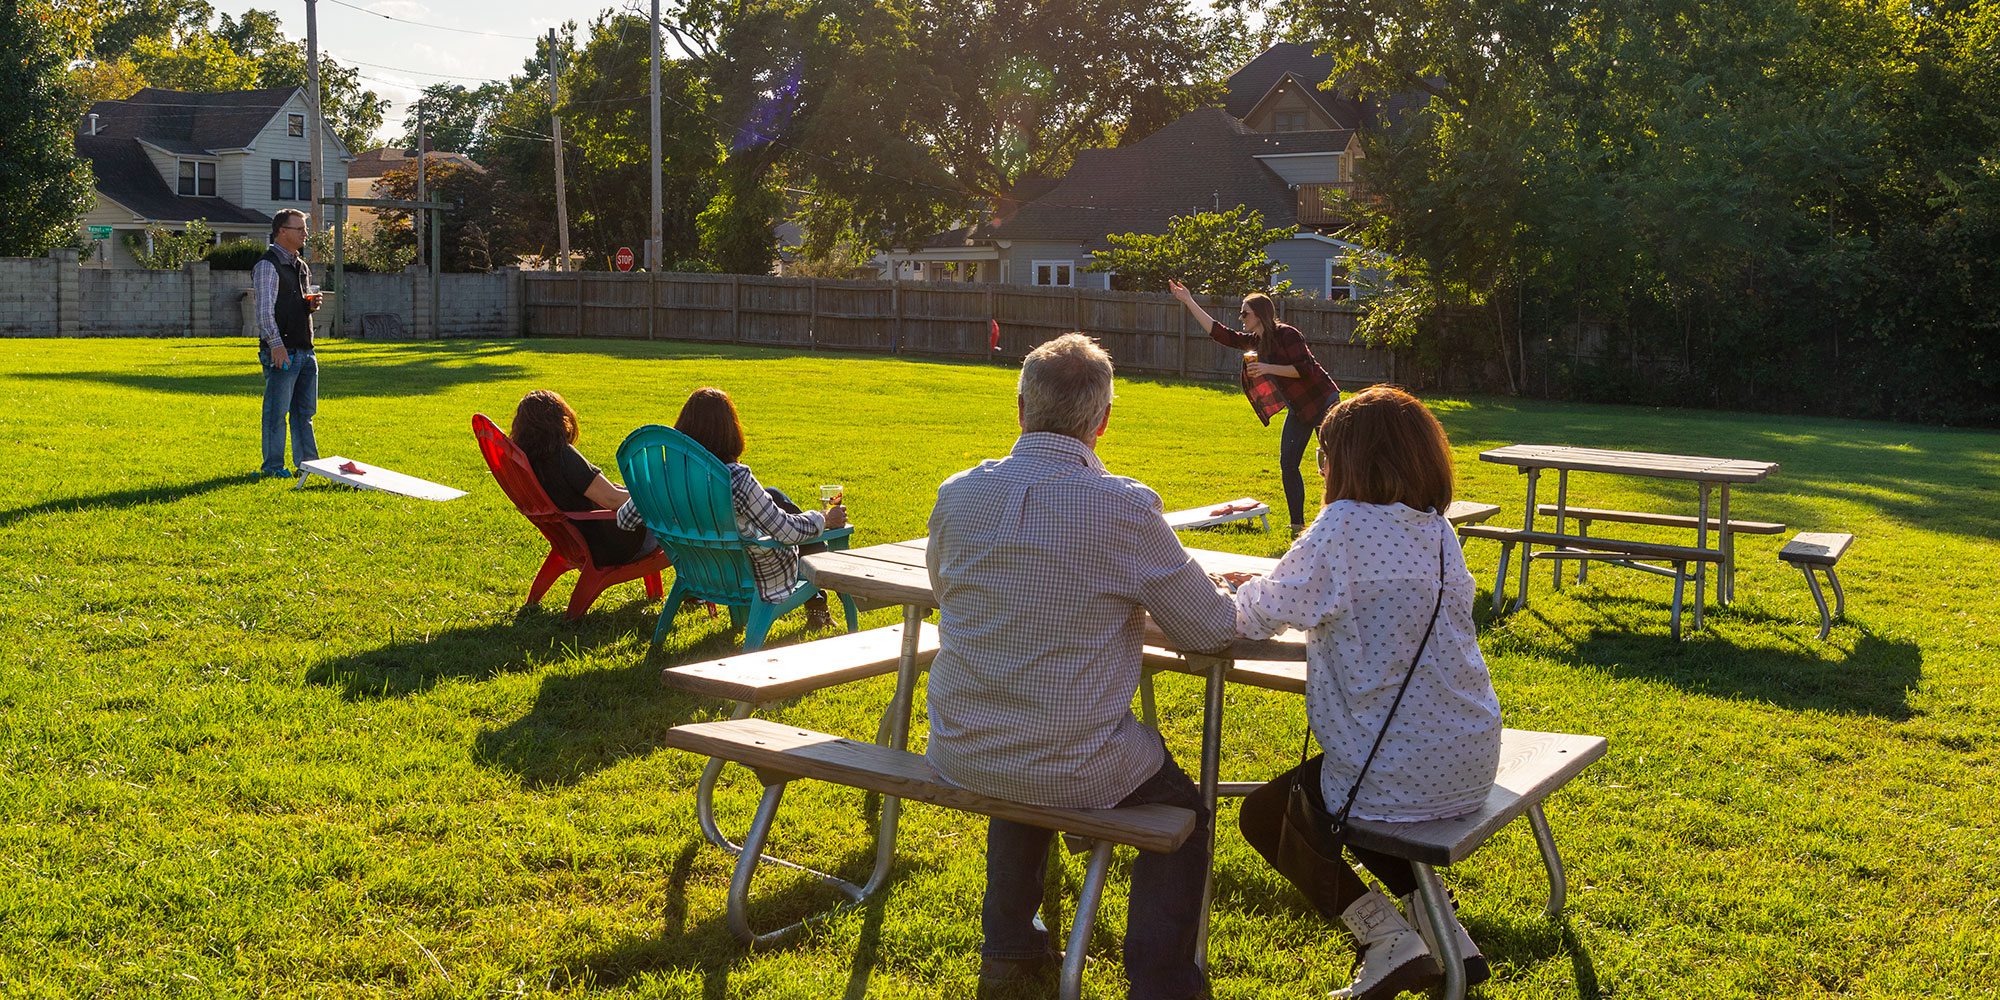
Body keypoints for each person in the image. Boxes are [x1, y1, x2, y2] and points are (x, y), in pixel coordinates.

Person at [925, 333, 1237, 1000]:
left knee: (1026, 734)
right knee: (1180, 814)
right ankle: (1162, 983)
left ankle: (1009, 946)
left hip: (960, 744)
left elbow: (947, 591)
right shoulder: (1122, 506)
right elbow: (1209, 630)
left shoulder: (957, 495)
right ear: (1103, 420)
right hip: (1061, 757)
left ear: (1021, 408)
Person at [1226, 386, 1502, 1000]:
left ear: (1344, 461)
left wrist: (1241, 587)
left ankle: (1386, 942)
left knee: (1269, 814)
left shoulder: (1344, 525)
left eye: (1323, 455)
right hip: (1470, 754)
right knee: (1357, 797)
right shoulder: (1437, 533)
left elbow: (1253, 618)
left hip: (1396, 761)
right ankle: (1445, 931)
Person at [616, 387, 846, 629]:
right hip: (750, 578)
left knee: (773, 495)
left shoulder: (664, 476)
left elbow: (624, 519)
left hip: (697, 573)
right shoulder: (734, 479)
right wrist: (823, 519)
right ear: (730, 431)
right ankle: (830, 598)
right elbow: (787, 532)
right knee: (789, 512)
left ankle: (820, 604)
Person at [1168, 279, 1339, 535]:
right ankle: (1297, 525)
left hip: (1323, 401)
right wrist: (1189, 301)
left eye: (1245, 313)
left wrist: (1268, 367)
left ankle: (1337, 522)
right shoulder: (1257, 342)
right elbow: (1221, 334)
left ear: (1259, 314)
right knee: (1288, 463)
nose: (1241, 317)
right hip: (1300, 409)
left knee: (1335, 464)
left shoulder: (1288, 334)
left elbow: (1305, 369)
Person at [511, 390, 655, 568]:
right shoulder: (563, 456)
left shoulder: (529, 461)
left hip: (573, 542)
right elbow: (612, 499)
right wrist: (656, 496)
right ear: (560, 420)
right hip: (616, 545)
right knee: (678, 520)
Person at [255, 208, 321, 477]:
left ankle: (309, 466)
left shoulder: (300, 265)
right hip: (283, 350)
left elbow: (294, 304)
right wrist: (276, 346)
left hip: (305, 350)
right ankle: (272, 468)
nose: (305, 233)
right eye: (300, 229)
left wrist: (311, 307)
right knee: (276, 413)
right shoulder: (267, 265)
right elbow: (263, 311)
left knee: (304, 413)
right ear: (282, 231)